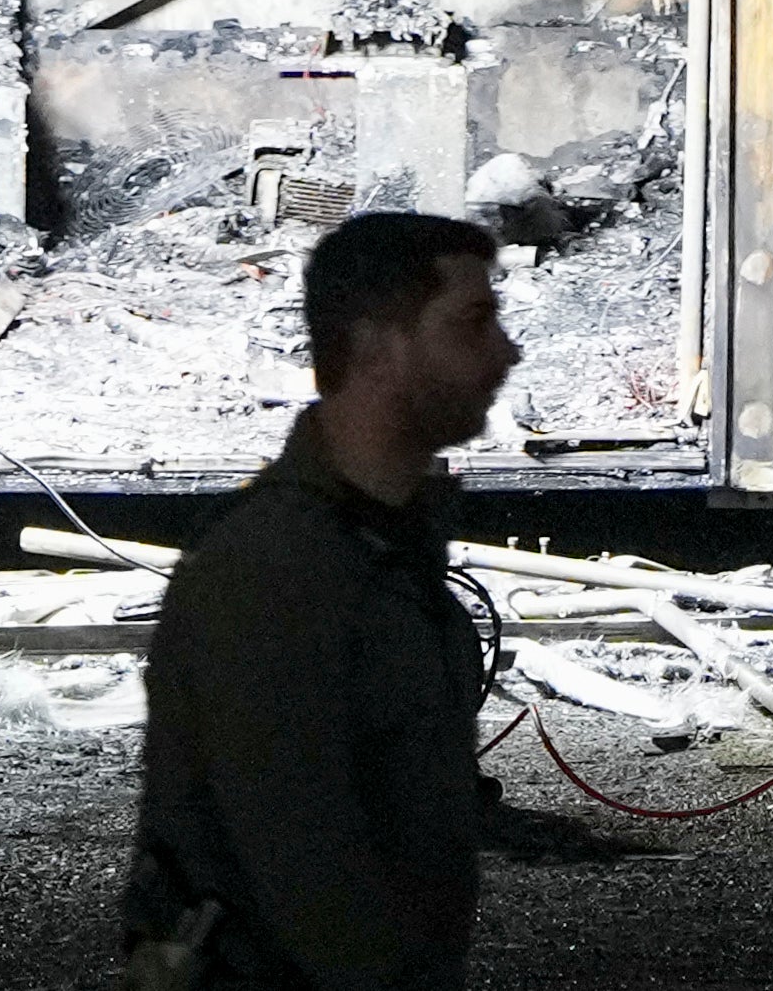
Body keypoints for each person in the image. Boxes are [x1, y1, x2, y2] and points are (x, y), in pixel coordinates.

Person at [125, 210, 517, 990]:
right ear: (377, 347)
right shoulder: (276, 568)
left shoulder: (379, 549)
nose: (506, 352)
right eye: (473, 323)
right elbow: (305, 868)